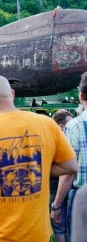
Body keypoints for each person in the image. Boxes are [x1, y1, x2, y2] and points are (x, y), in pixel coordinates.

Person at [0, 75, 78, 242]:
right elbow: (71, 166)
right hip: (37, 233)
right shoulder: (47, 124)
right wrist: (37, 166)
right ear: (13, 94)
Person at [51, 72, 87, 242]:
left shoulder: (75, 126)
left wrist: (56, 205)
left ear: (81, 96)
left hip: (82, 198)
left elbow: (68, 172)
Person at [50, 109, 73, 242]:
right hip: (55, 190)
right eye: (70, 123)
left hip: (63, 188)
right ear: (61, 126)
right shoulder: (56, 143)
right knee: (59, 227)